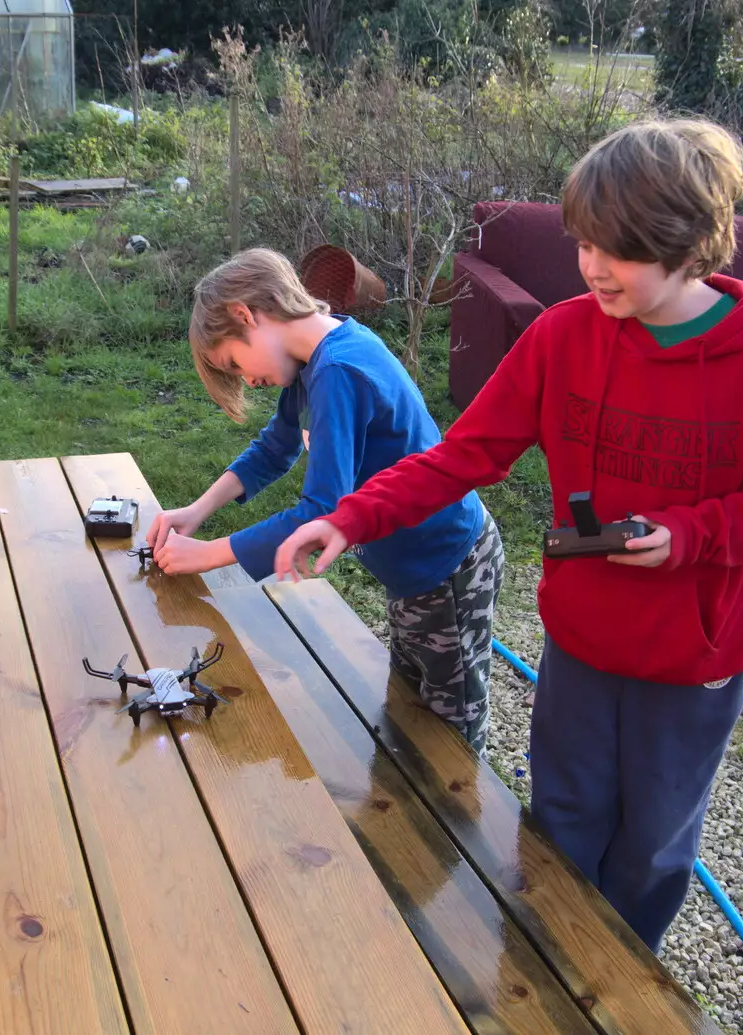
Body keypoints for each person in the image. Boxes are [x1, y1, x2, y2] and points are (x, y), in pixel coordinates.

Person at [273, 120, 743, 952]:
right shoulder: (563, 336)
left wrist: (689, 535)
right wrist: (348, 515)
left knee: (650, 846)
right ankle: (545, 965)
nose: (594, 268)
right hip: (583, 640)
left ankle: (623, 977)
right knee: (562, 818)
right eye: (585, 245)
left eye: (622, 252)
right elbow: (462, 454)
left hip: (695, 659)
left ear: (689, 246)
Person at [150, 248, 504, 753]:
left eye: (234, 361)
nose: (247, 379)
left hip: (445, 566)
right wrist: (197, 511)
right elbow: (275, 448)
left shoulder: (338, 371)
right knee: (409, 705)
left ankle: (465, 822)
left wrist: (210, 554)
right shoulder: (314, 358)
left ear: (245, 315)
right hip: (410, 569)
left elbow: (321, 511)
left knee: (453, 730)